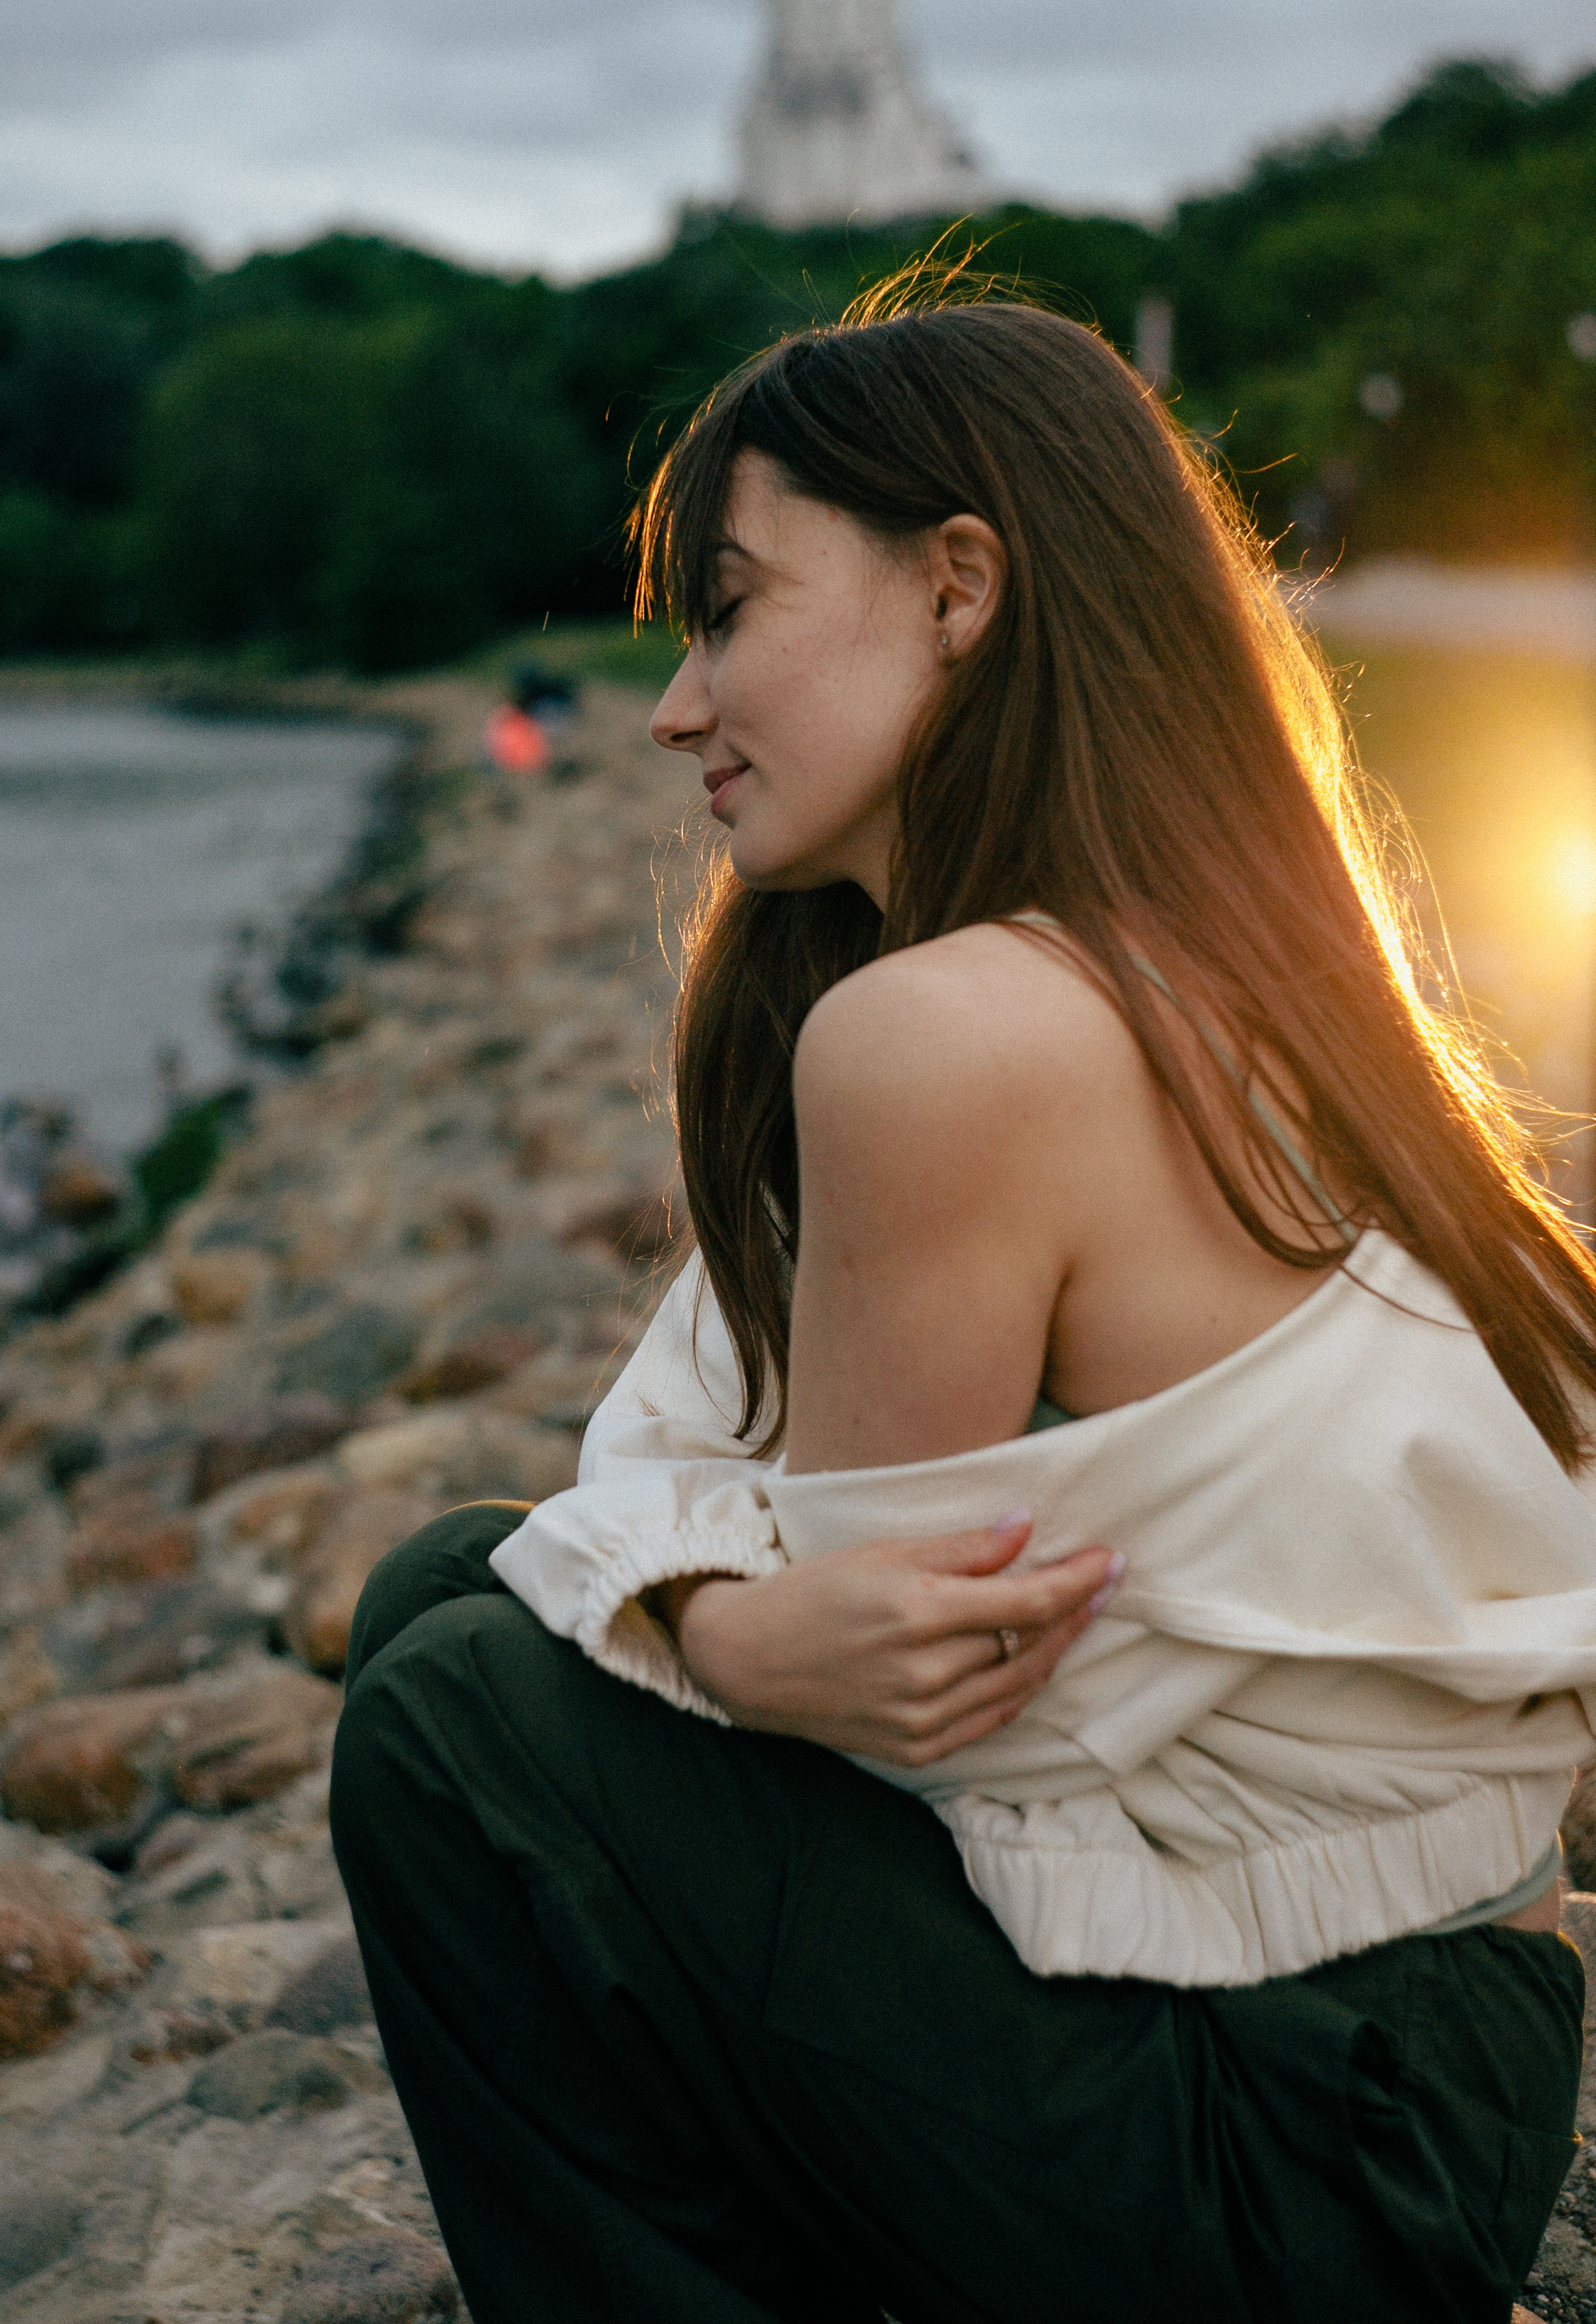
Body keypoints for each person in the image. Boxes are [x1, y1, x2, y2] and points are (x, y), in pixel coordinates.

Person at [331, 283, 1596, 2324]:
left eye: (728, 608)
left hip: (1295, 2146)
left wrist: (724, 1643)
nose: (673, 708)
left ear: (960, 586)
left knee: (455, 1725)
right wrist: (724, 1627)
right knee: (456, 1605)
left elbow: (890, 1713)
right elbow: (814, 1606)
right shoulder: (1221, 959)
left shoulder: (951, 1036)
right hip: (1414, 2071)